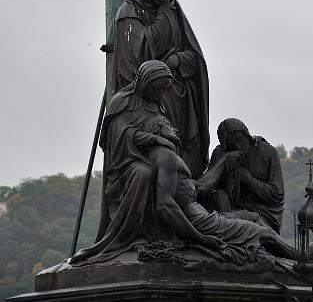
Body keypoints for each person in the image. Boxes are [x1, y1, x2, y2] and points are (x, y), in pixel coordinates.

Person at [71, 61, 219, 264]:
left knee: (163, 177)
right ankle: (129, 235)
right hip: (127, 161)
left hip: (155, 158)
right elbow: (119, 135)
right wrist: (156, 139)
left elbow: (167, 129)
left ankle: (159, 233)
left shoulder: (158, 104)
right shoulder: (122, 101)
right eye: (156, 88)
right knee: (144, 174)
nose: (159, 93)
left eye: (162, 89)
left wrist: (167, 135)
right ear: (144, 82)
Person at [112, 0, 209, 178]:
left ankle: (187, 192)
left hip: (182, 96)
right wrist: (164, 11)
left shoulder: (175, 10)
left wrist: (179, 60)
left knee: (183, 152)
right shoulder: (130, 13)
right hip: (153, 101)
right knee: (163, 150)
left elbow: (195, 57)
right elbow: (143, 55)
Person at [196, 118, 285, 233]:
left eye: (239, 140)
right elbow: (203, 189)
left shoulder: (268, 152)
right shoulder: (221, 154)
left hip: (262, 216)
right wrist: (224, 166)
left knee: (230, 220)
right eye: (231, 144)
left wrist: (249, 181)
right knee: (219, 196)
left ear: (246, 134)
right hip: (229, 209)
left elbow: (277, 194)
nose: (237, 146)